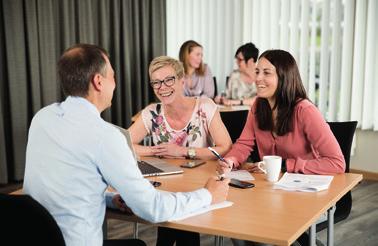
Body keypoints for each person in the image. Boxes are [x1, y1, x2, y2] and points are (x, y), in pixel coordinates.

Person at [23, 44, 230, 246]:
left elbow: (65, 187)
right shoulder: (105, 136)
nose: (115, 83)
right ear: (98, 82)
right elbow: (153, 208)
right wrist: (208, 194)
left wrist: (110, 200)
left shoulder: (42, 118)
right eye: (112, 76)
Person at [217, 49, 345, 245]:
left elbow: (337, 163)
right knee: (237, 223)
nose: (258, 78)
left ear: (284, 77)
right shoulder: (258, 107)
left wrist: (287, 165)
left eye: (266, 73)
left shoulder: (305, 111)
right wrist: (231, 160)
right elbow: (243, 144)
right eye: (257, 71)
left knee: (259, 229)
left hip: (307, 195)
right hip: (272, 192)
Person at [128, 56, 232, 246]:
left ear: (182, 80)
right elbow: (124, 144)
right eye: (156, 82)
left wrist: (182, 151)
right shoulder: (152, 112)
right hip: (167, 184)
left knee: (177, 227)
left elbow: (225, 147)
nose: (162, 87)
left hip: (200, 184)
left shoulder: (205, 107)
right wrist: (154, 150)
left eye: (169, 80)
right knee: (176, 223)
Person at [215, 42, 259, 106]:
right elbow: (227, 96)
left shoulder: (261, 76)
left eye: (240, 59)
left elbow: (260, 100)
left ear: (250, 61)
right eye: (236, 59)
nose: (237, 62)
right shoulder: (234, 75)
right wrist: (221, 98)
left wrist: (236, 102)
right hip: (236, 113)